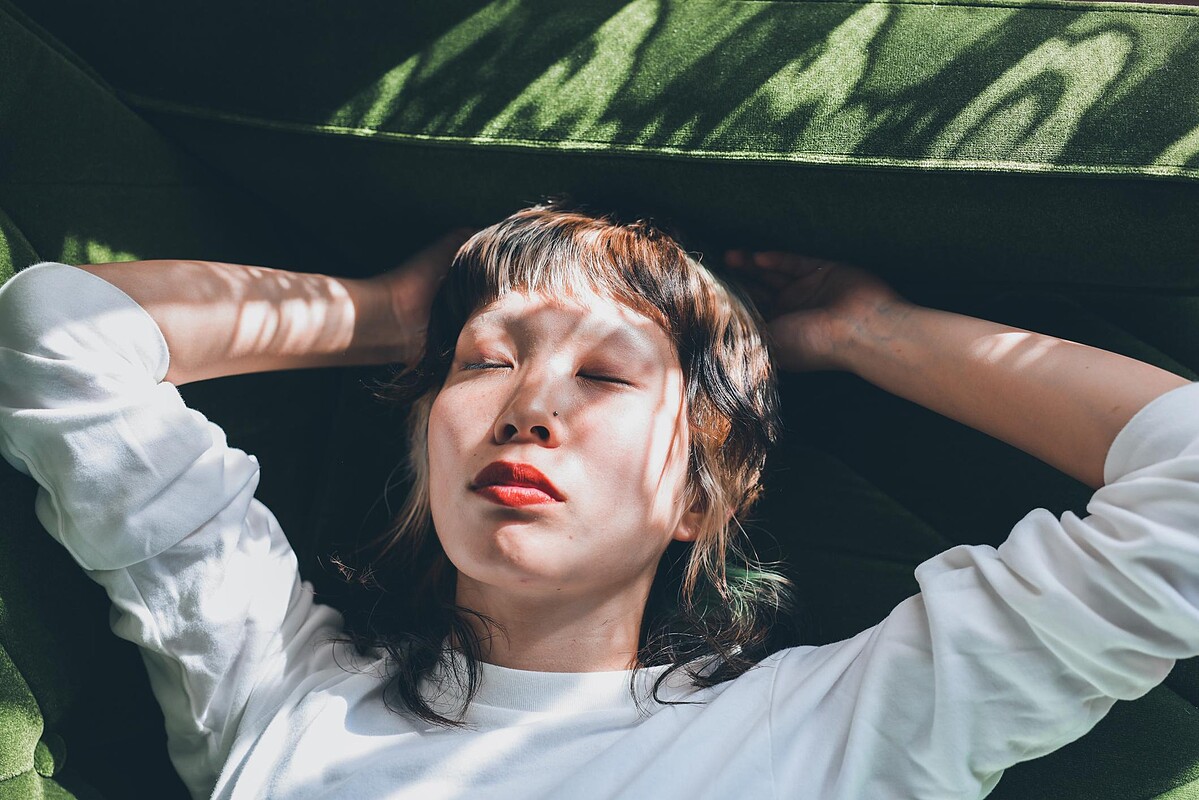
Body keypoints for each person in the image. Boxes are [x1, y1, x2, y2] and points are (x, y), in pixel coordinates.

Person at [0, 200, 1195, 800]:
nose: (528, 404)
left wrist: (871, 332)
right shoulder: (279, 687)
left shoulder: (839, 730)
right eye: (483, 364)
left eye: (608, 375)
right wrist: (386, 313)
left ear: (699, 495)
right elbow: (54, 335)